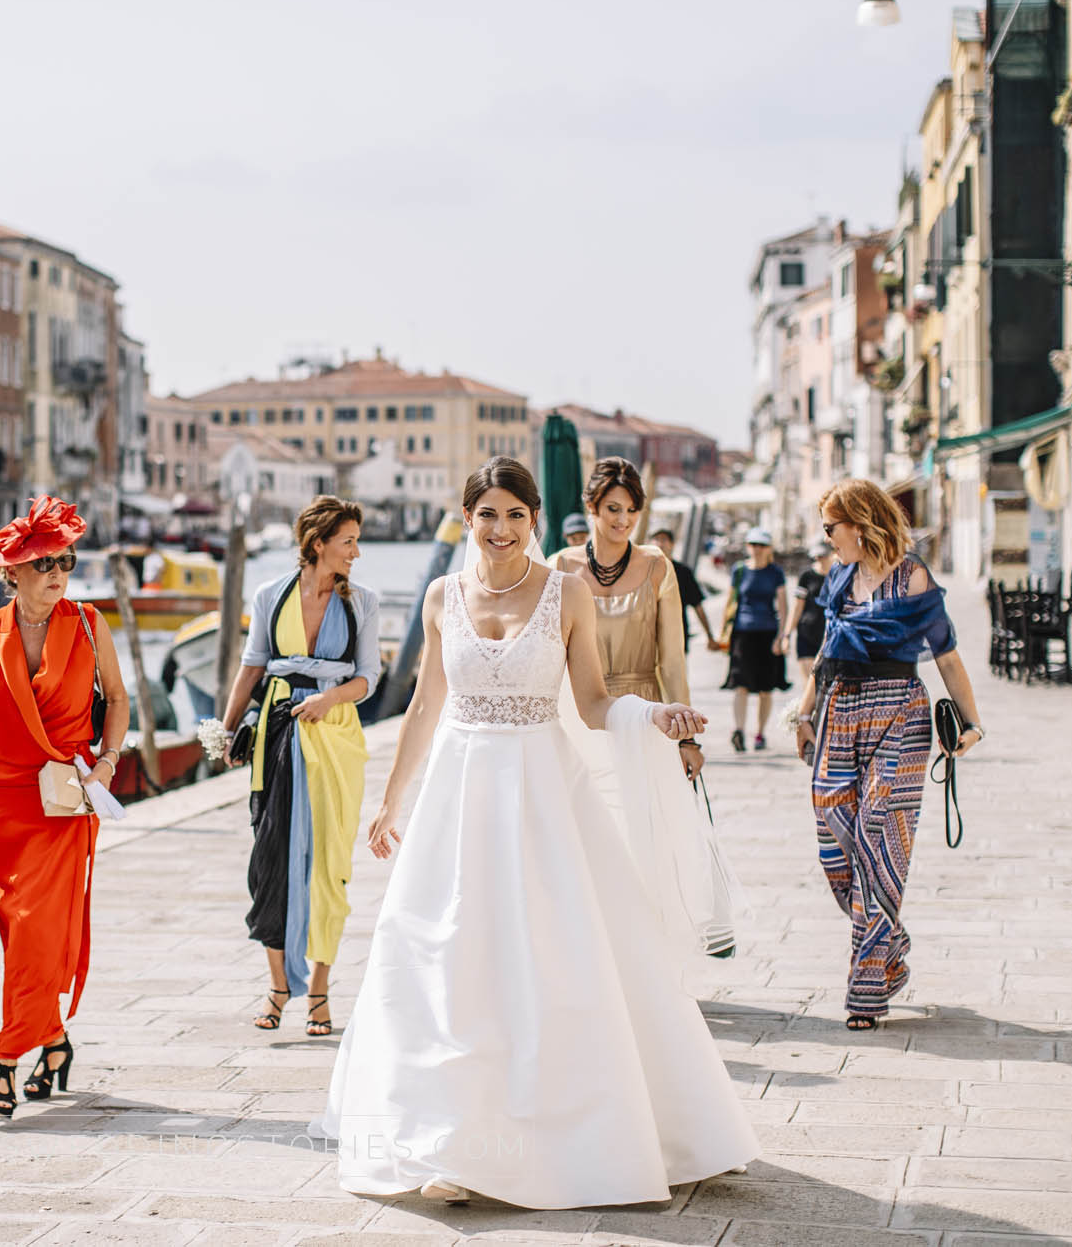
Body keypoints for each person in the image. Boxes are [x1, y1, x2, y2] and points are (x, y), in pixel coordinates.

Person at [314, 457, 759, 1209]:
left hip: (542, 799)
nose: (500, 528)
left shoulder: (567, 592)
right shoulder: (439, 595)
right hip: (457, 801)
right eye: (487, 514)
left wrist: (654, 716)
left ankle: (577, 1135)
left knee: (553, 956)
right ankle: (448, 1142)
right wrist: (392, 803)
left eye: (516, 515)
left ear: (537, 522)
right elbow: (425, 704)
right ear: (466, 519)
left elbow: (589, 703)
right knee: (447, 959)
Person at [0, 497, 130, 1116]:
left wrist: (106, 762)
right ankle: (55, 1041)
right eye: (44, 563)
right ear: (11, 572)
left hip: (63, 803)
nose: (57, 573)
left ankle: (6, 1060)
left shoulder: (91, 625)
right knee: (22, 935)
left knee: (42, 928)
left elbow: (118, 702)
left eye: (65, 561)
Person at [795, 480, 984, 1031]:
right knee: (834, 832)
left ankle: (867, 989)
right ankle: (890, 940)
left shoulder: (911, 575)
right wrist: (803, 714)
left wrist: (972, 723)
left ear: (860, 523)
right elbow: (829, 649)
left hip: (900, 711)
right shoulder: (840, 578)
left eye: (831, 528)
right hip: (840, 712)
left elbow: (946, 655)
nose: (826, 538)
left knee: (880, 836)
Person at [553, 457, 739, 959]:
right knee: (592, 840)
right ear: (590, 507)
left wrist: (686, 737)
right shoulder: (559, 566)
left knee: (649, 843)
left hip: (646, 717)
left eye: (632, 510)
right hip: (580, 719)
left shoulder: (657, 565)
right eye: (613, 508)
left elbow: (672, 659)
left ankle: (652, 956)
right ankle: (601, 955)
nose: (622, 520)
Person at [220, 496, 381, 1037]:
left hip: (335, 738)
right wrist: (226, 729)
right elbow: (251, 669)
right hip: (278, 736)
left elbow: (367, 679)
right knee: (271, 861)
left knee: (329, 864)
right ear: (319, 544)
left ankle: (318, 991)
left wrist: (327, 702)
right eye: (349, 541)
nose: (357, 552)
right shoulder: (271, 596)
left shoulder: (362, 602)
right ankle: (276, 986)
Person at [720, 526, 789, 751]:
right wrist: (723, 634)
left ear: (769, 548)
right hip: (743, 632)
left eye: (761, 545)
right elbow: (730, 602)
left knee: (765, 688)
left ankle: (759, 733)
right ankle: (738, 730)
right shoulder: (739, 570)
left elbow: (783, 605)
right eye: (753, 545)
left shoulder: (775, 572)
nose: (757, 549)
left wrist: (782, 635)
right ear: (747, 547)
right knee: (740, 683)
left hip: (768, 632)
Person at [778, 539, 835, 684]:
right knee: (810, 681)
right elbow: (797, 607)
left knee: (827, 682)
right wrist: (787, 635)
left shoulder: (839, 575)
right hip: (806, 632)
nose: (820, 559)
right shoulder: (806, 577)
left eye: (823, 556)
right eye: (817, 556)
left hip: (830, 634)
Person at [650, 527, 715, 652]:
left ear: (672, 544)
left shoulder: (683, 572)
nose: (659, 543)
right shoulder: (643, 571)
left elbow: (698, 606)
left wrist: (709, 635)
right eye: (656, 539)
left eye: (664, 539)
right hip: (649, 640)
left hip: (676, 637)